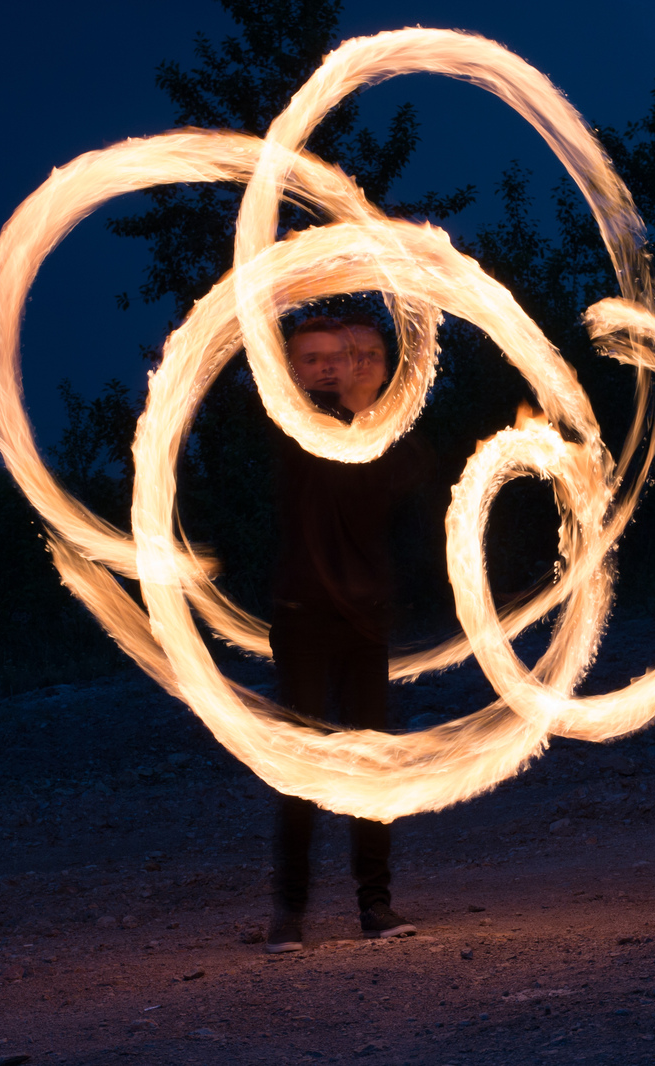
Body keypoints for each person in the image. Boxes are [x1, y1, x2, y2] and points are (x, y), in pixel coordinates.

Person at [266, 314, 430, 953]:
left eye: (345, 355)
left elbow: (402, 483)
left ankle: (376, 903)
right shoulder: (295, 428)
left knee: (371, 762)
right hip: (304, 617)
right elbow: (329, 460)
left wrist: (374, 402)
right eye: (313, 359)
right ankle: (289, 911)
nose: (332, 366)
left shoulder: (389, 436)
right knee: (304, 768)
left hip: (364, 620)